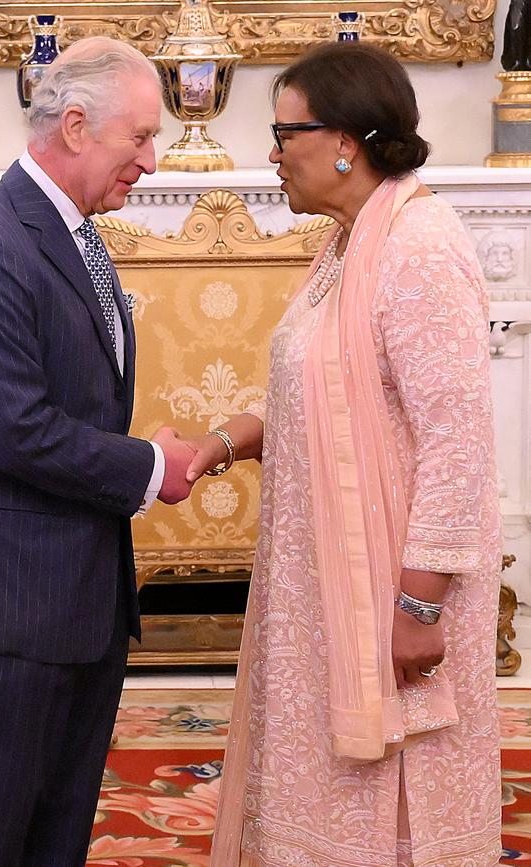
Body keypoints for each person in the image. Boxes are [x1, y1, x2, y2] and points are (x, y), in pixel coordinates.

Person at [186, 41, 502, 866]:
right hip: (323, 590)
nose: (271, 152)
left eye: (283, 132)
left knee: (392, 810)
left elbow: (457, 441)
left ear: (345, 144)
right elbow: (315, 399)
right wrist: (222, 443)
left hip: (391, 598)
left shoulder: (418, 247)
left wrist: (419, 606)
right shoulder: (347, 243)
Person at [0, 36, 195, 867]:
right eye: (139, 137)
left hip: (71, 597)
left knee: (57, 830)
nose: (151, 160)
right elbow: (14, 429)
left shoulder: (74, 232)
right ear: (75, 125)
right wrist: (149, 467)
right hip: (6, 598)